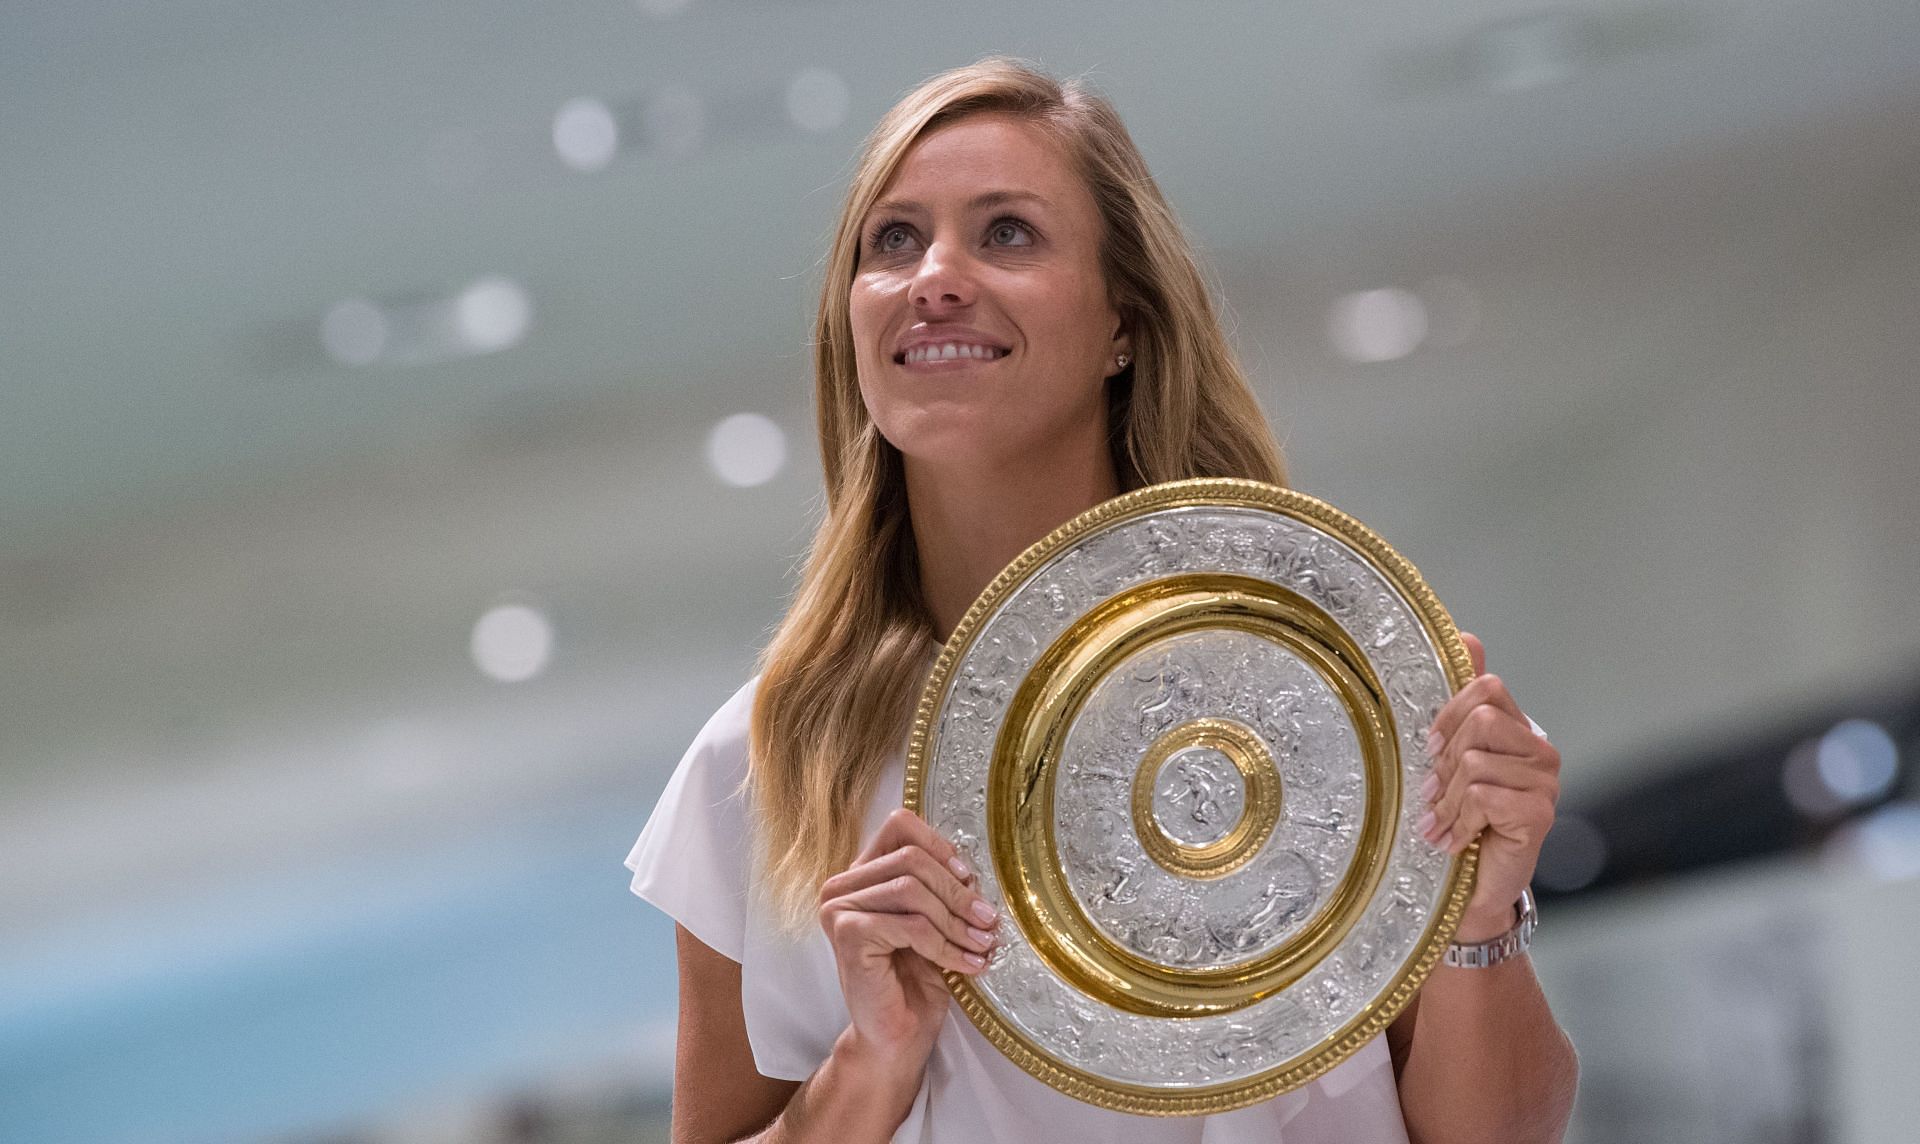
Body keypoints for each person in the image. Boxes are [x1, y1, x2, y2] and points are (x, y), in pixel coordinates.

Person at [626, 58, 1578, 1143]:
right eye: (892, 239)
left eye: (1007, 233)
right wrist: (871, 1060)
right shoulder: (762, 763)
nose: (935, 276)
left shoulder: (1333, 675)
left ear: (1123, 317)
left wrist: (1481, 913)